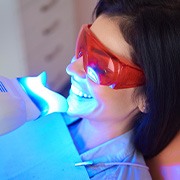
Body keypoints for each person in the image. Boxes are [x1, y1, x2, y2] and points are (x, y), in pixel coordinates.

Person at [65, 0, 180, 179]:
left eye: (99, 67)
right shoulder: (47, 106)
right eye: (82, 46)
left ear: (148, 98)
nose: (71, 68)